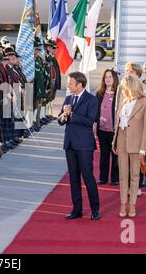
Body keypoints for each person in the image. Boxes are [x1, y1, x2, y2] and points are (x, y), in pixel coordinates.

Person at [58, 72, 100, 220]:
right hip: (69, 143)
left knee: (88, 177)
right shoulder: (69, 98)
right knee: (73, 178)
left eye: (70, 83)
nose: (68, 85)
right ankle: (77, 209)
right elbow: (60, 119)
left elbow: (90, 121)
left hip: (84, 144)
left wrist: (72, 115)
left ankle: (95, 209)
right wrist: (63, 116)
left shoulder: (92, 100)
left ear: (79, 84)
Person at [112, 75, 146, 218]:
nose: (123, 89)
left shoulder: (145, 102)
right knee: (123, 176)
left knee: (134, 175)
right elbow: (118, 123)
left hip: (136, 145)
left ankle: (132, 204)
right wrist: (115, 141)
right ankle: (123, 203)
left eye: (125, 87)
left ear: (132, 87)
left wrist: (143, 148)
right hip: (122, 141)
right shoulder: (123, 100)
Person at [95, 69, 119, 185]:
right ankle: (103, 178)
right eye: (106, 77)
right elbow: (96, 110)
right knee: (104, 154)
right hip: (102, 129)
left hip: (114, 129)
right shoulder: (99, 93)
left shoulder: (119, 93)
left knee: (115, 154)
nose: (108, 79)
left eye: (110, 77)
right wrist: (95, 123)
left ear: (114, 79)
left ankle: (115, 178)